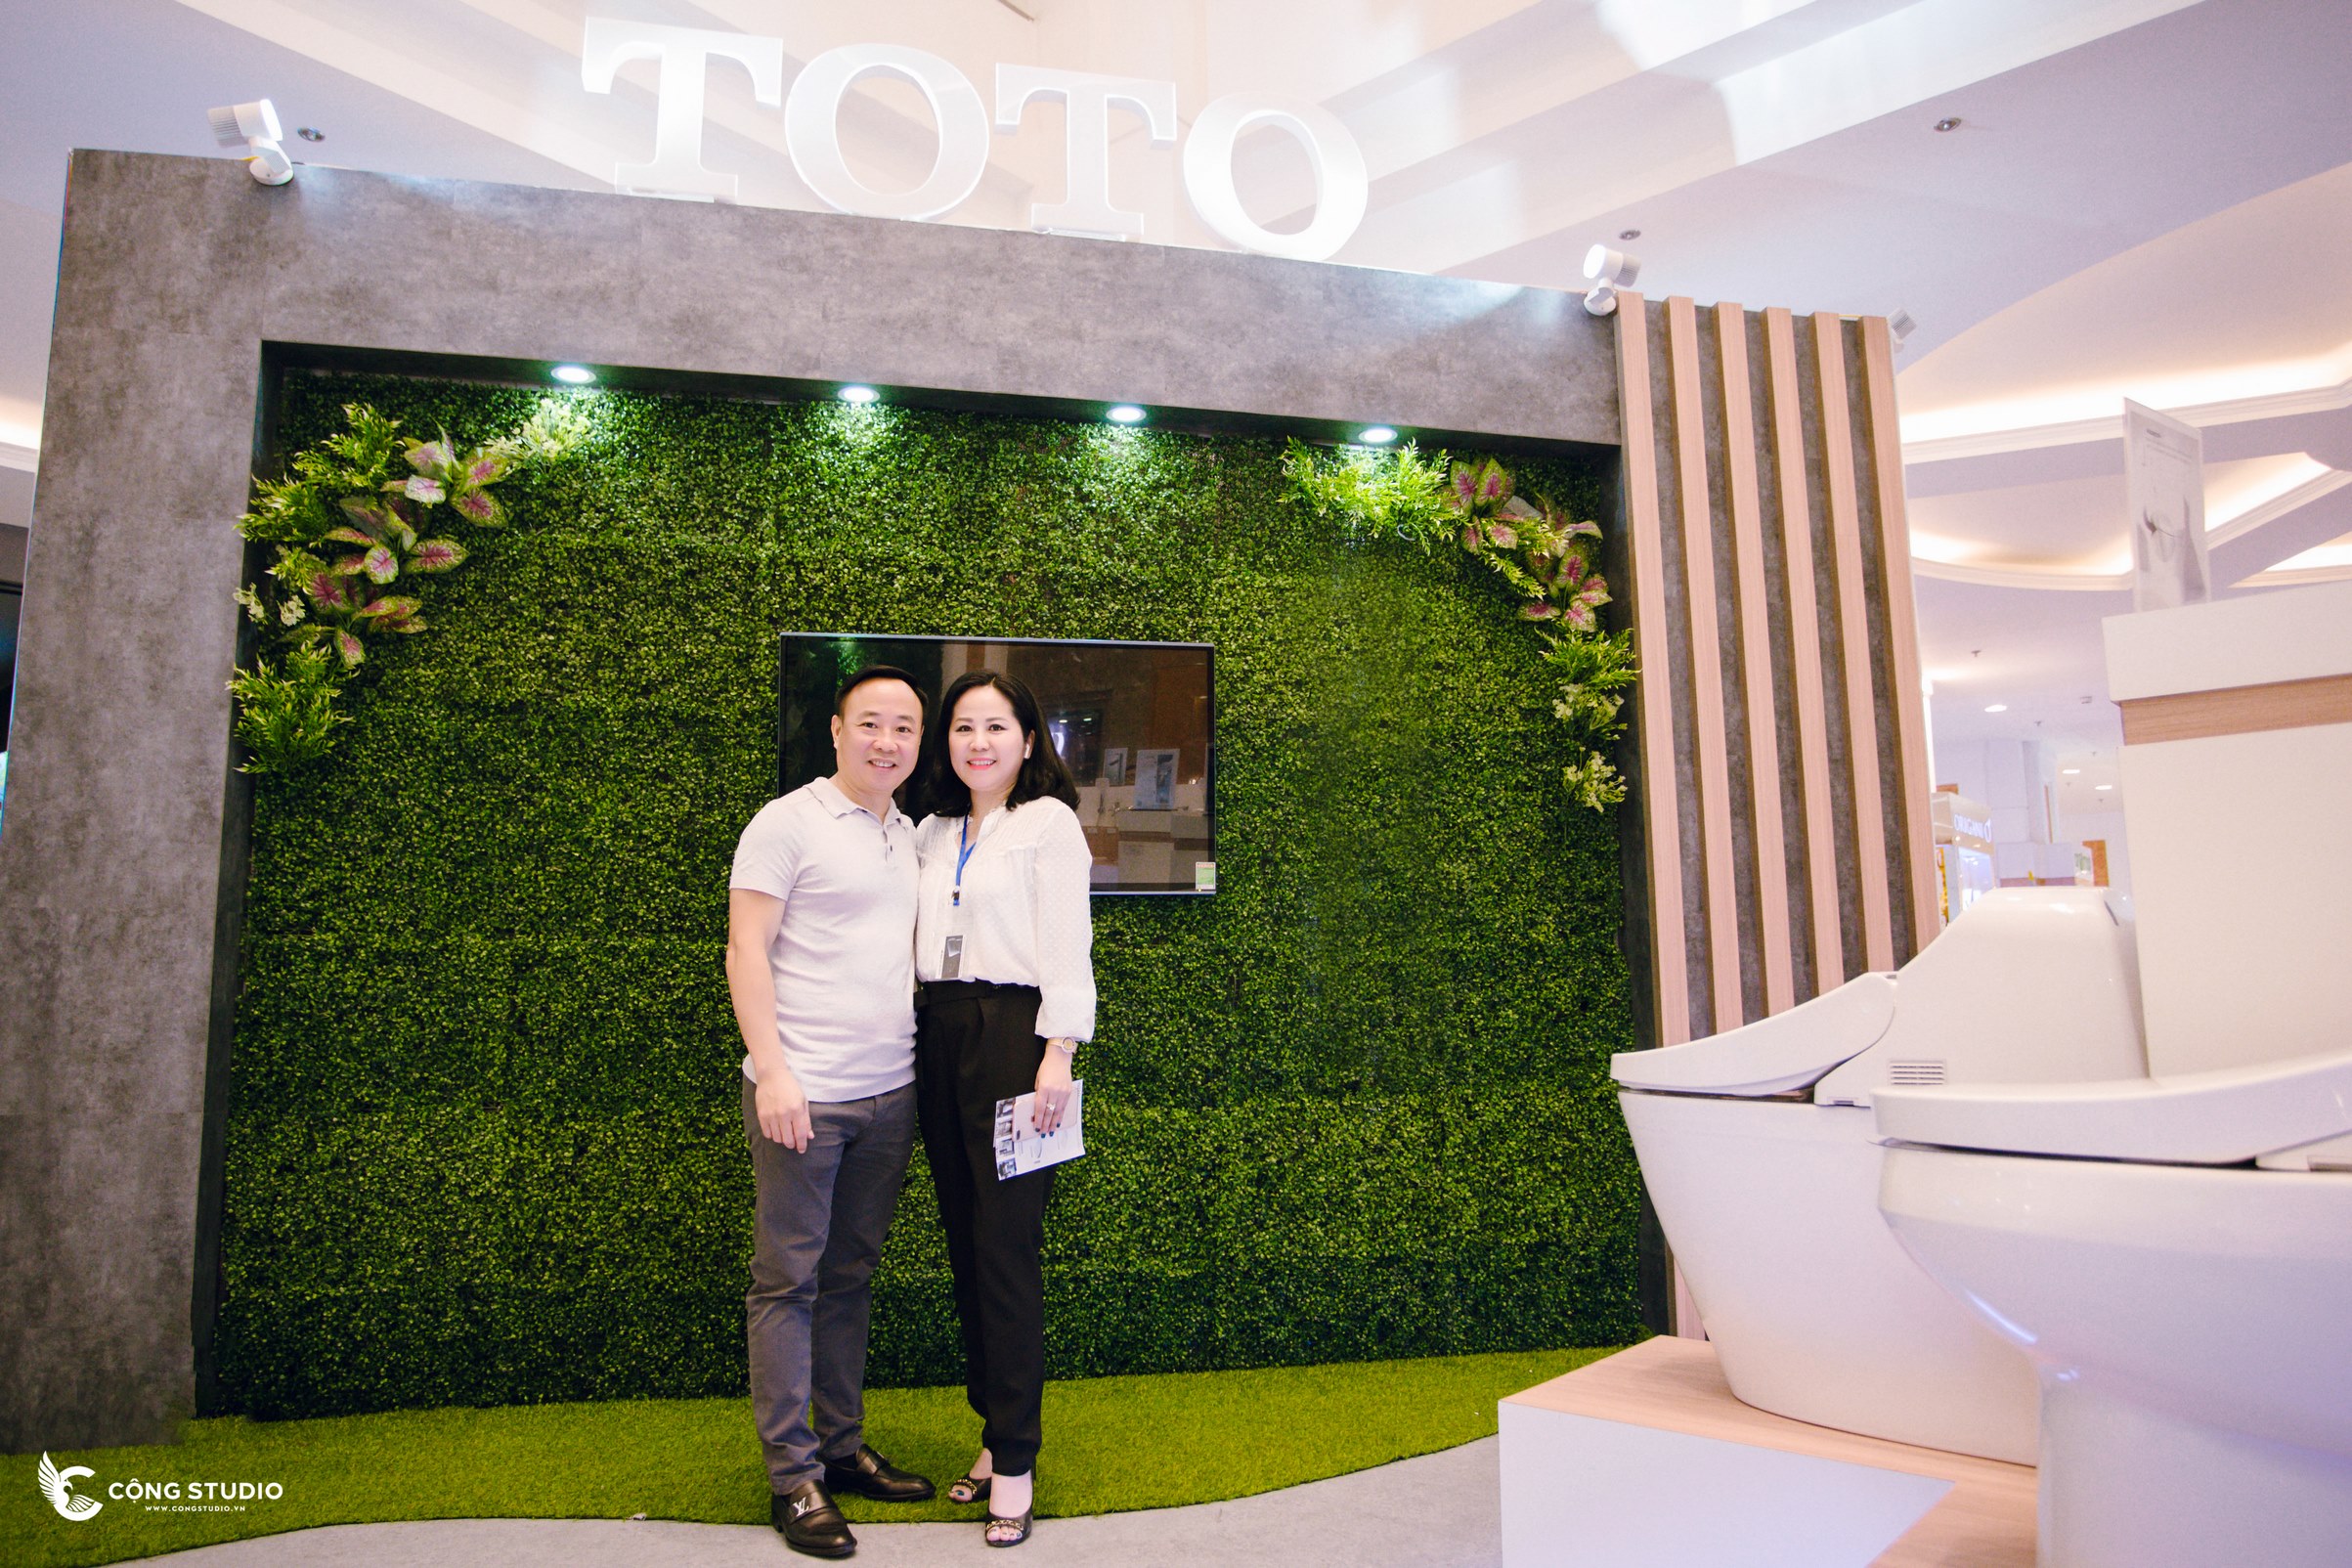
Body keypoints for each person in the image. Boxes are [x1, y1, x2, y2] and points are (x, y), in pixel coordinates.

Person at [725, 665, 940, 1559]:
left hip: (891, 1095)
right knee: (788, 1281)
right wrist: (774, 1072)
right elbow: (746, 949)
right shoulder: (786, 822)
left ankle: (843, 1450)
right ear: (838, 731)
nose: (887, 741)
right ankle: (794, 1479)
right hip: (802, 1098)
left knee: (850, 1276)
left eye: (905, 728)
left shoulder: (909, 834)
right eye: (872, 724)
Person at [909, 670, 1096, 1549]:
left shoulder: (1048, 823)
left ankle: (1016, 1462)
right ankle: (992, 1431)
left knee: (1006, 1250)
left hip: (1016, 1038)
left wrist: (1058, 1052)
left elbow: (1068, 944)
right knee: (963, 1242)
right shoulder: (930, 831)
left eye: (995, 726)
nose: (977, 742)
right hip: (937, 1031)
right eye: (962, 727)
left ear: (1028, 740)